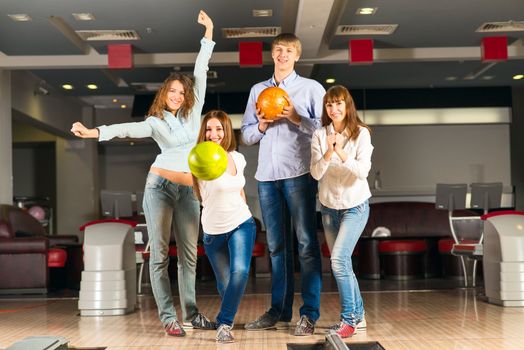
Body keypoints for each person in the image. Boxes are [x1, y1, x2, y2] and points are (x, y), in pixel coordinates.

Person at [70, 10, 216, 337]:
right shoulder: (155, 122)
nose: (177, 96)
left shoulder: (195, 115)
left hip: (189, 189)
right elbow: (126, 128)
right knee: (161, 254)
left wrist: (208, 33)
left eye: (181, 92)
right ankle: (168, 317)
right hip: (160, 187)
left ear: (187, 95)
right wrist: (94, 132)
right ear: (164, 94)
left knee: (190, 256)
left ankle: (192, 314)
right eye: (172, 92)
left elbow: (200, 70)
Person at [240, 33, 325, 336]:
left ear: (297, 56)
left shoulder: (310, 88)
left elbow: (324, 130)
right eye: (278, 50)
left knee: (306, 244)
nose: (283, 55)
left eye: (289, 50)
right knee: (277, 248)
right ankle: (279, 309)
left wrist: (296, 117)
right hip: (266, 177)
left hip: (299, 174)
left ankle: (310, 313)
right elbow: (246, 135)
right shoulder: (257, 91)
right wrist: (262, 124)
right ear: (272, 55)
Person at [310, 85, 373, 338]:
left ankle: (348, 320)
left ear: (347, 106)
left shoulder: (361, 134)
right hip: (328, 207)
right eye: (329, 105)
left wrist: (340, 152)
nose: (333, 109)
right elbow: (315, 173)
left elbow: (362, 171)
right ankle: (359, 315)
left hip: (355, 206)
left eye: (338, 104)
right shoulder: (319, 134)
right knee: (342, 262)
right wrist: (328, 150)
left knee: (338, 261)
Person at [192, 110, 256, 343]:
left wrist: (243, 209)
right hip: (212, 232)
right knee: (227, 283)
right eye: (209, 129)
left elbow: (239, 190)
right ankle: (226, 318)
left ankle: (224, 323)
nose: (213, 133)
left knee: (240, 273)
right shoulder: (198, 159)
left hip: (241, 223)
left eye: (219, 128)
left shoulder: (238, 158)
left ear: (227, 131)